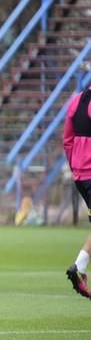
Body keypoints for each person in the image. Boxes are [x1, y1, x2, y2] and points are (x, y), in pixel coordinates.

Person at [63, 84, 91, 298]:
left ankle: (80, 267)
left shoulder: (76, 101)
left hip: (81, 174)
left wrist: (76, 167)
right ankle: (79, 267)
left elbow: (67, 140)